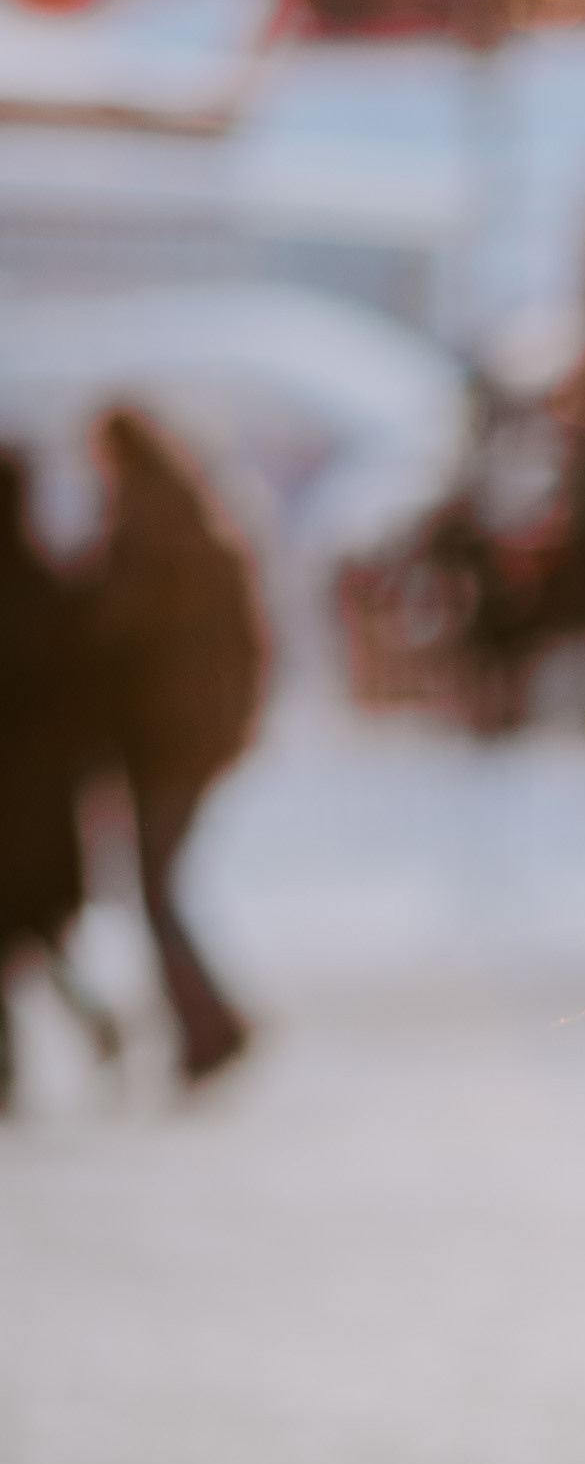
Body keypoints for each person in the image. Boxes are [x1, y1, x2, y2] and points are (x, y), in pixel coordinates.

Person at [85, 405, 266, 1084]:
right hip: (193, 738)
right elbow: (250, 643)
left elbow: (117, 640)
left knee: (156, 889)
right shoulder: (205, 528)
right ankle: (210, 1020)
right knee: (159, 887)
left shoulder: (142, 539)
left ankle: (210, 1024)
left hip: (162, 741)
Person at [0, 447, 119, 1103]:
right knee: (38, 931)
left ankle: (17, 1063)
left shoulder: (32, 587)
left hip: (19, 790)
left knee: (25, 931)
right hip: (46, 792)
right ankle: (92, 1024)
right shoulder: (52, 583)